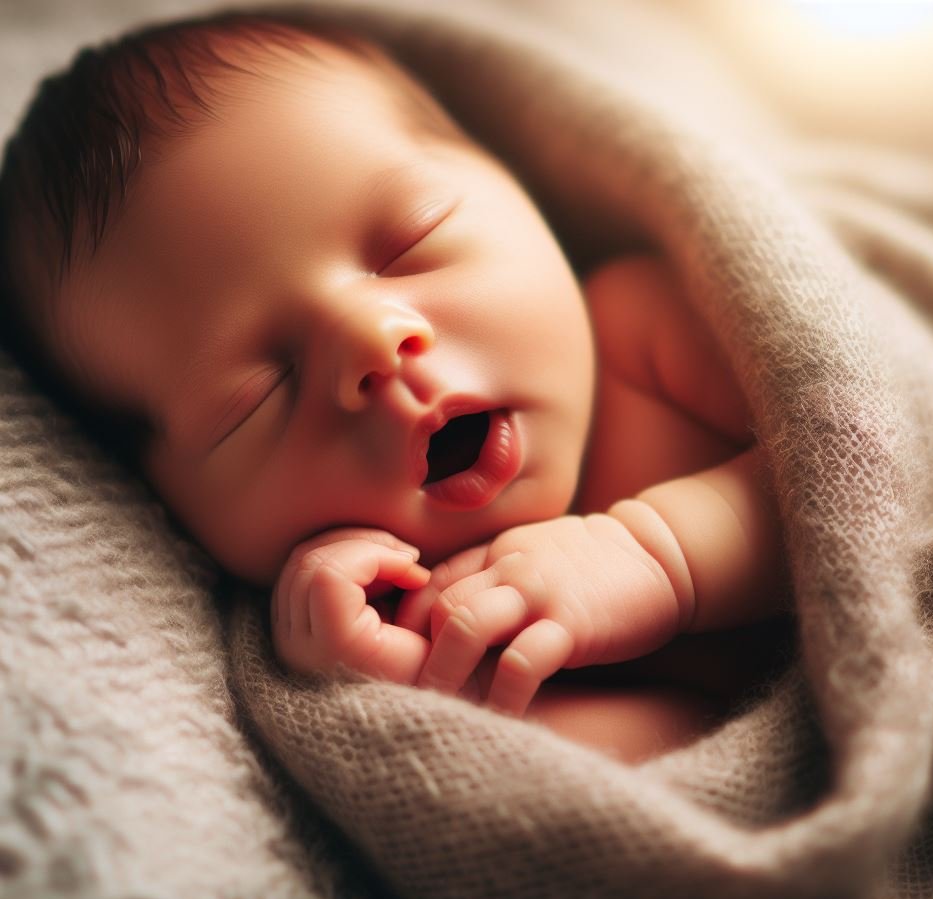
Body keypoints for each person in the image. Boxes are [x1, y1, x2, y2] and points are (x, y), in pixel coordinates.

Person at [0, 9, 787, 761]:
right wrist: (430, 699)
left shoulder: (650, 333)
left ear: (517, 188)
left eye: (412, 242)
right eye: (257, 396)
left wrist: (659, 558)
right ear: (170, 509)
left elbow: (886, 478)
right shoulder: (387, 621)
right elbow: (659, 794)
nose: (370, 344)